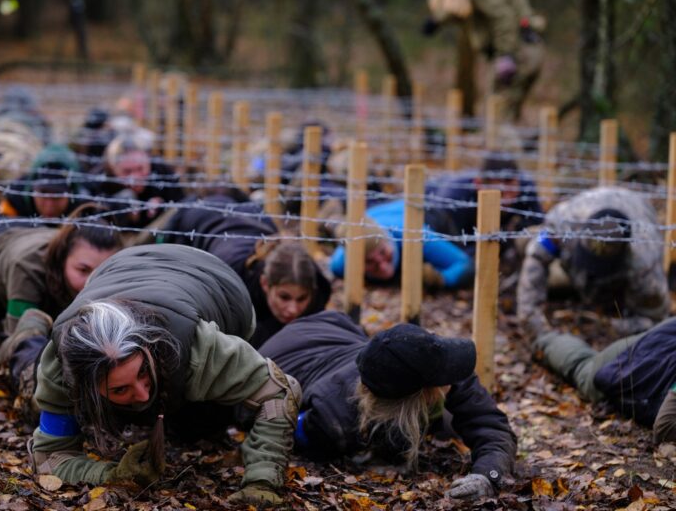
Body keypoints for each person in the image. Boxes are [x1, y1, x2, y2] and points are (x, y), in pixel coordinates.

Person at [1, 244, 299, 505]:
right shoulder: (60, 370)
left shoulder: (200, 349)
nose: (142, 394)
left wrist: (262, 482)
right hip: (117, 269)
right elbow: (50, 458)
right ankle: (26, 335)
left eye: (143, 372)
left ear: (150, 349)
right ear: (85, 386)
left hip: (217, 282)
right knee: (32, 399)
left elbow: (278, 391)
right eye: (120, 389)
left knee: (201, 428)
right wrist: (111, 474)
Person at [259, 310, 516, 500]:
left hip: (329, 326)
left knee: (444, 426)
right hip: (281, 357)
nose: (455, 378)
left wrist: (487, 474)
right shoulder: (332, 419)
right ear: (420, 395)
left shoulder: (434, 363)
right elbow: (282, 426)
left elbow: (490, 425)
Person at [163, 196, 332, 348]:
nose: (293, 309)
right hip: (202, 218)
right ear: (265, 283)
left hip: (252, 216)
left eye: (302, 298)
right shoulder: (231, 282)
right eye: (284, 297)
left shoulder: (317, 285)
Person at [0, 204, 123, 336]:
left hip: (18, 231)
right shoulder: (27, 269)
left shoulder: (80, 247)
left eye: (102, 271)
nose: (91, 282)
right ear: (63, 256)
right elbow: (21, 342)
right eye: (83, 270)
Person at [517, 186, 669, 340]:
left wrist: (612, 326)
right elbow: (536, 255)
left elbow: (656, 320)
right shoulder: (564, 222)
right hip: (580, 225)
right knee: (524, 241)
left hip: (624, 266)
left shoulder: (645, 262)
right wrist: (530, 317)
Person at [533, 320, 676, 444]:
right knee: (583, 368)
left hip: (664, 335)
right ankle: (543, 339)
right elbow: (664, 426)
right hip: (632, 360)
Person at [424, 0, 545, 123]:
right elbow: (457, 10)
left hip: (518, 54)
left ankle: (504, 140)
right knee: (508, 113)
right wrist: (436, 21)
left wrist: (506, 54)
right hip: (528, 50)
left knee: (497, 116)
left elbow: (503, 18)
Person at [329, 199, 474, 287]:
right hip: (378, 213)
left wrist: (441, 279)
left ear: (389, 241)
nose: (382, 265)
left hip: (422, 213)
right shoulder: (340, 264)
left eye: (383, 252)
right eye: (369, 262)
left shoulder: (416, 236)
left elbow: (464, 264)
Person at [425, 152, 543, 253]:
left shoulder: (526, 187)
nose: (507, 199)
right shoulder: (453, 199)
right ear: (478, 184)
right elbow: (451, 247)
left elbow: (538, 224)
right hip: (434, 214)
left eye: (511, 190)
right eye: (500, 193)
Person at [91, 129, 184, 228]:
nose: (135, 178)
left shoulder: (162, 170)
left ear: (148, 160)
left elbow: (180, 205)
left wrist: (163, 206)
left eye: (140, 169)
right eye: (127, 172)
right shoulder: (100, 179)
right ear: (113, 169)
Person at [0, 144, 88, 219]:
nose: (49, 206)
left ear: (73, 192)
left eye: (57, 197)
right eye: (43, 194)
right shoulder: (15, 197)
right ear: (31, 187)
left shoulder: (85, 204)